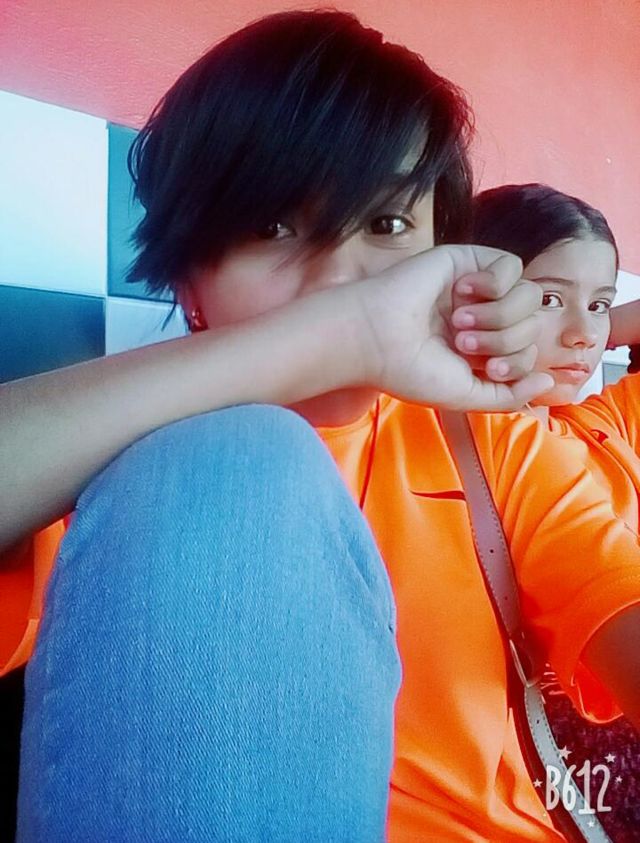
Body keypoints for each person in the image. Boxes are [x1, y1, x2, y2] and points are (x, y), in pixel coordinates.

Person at [2, 12, 640, 842]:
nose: (341, 280)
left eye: (387, 225)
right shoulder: (101, 454)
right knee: (234, 458)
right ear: (187, 278)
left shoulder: (497, 443)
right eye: (272, 227)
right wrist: (346, 335)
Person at [472, 182, 640, 837]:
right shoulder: (426, 431)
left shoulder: (603, 428)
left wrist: (594, 321)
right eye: (548, 299)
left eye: (599, 304)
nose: (582, 334)